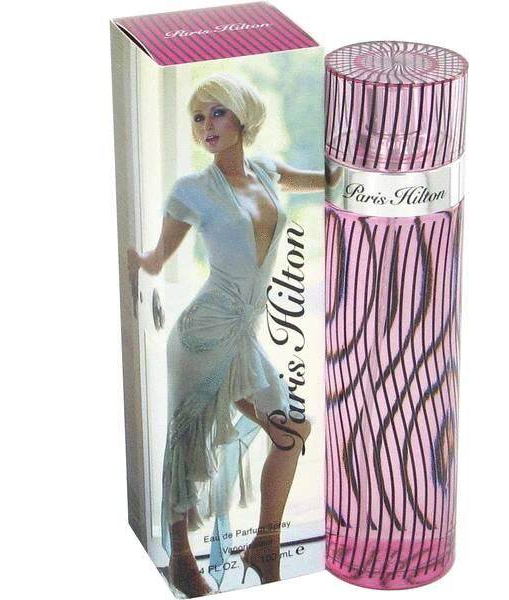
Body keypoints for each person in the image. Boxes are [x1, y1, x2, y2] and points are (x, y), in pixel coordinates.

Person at [128, 73, 324, 597]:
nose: (206, 126)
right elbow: (156, 257)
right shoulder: (192, 190)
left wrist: (369, 168)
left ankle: (264, 545)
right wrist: (132, 261)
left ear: (242, 116)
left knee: (294, 428)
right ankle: (181, 561)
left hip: (242, 335)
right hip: (202, 335)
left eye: (217, 112)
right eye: (198, 117)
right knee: (185, 443)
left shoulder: (267, 172)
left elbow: (327, 179)